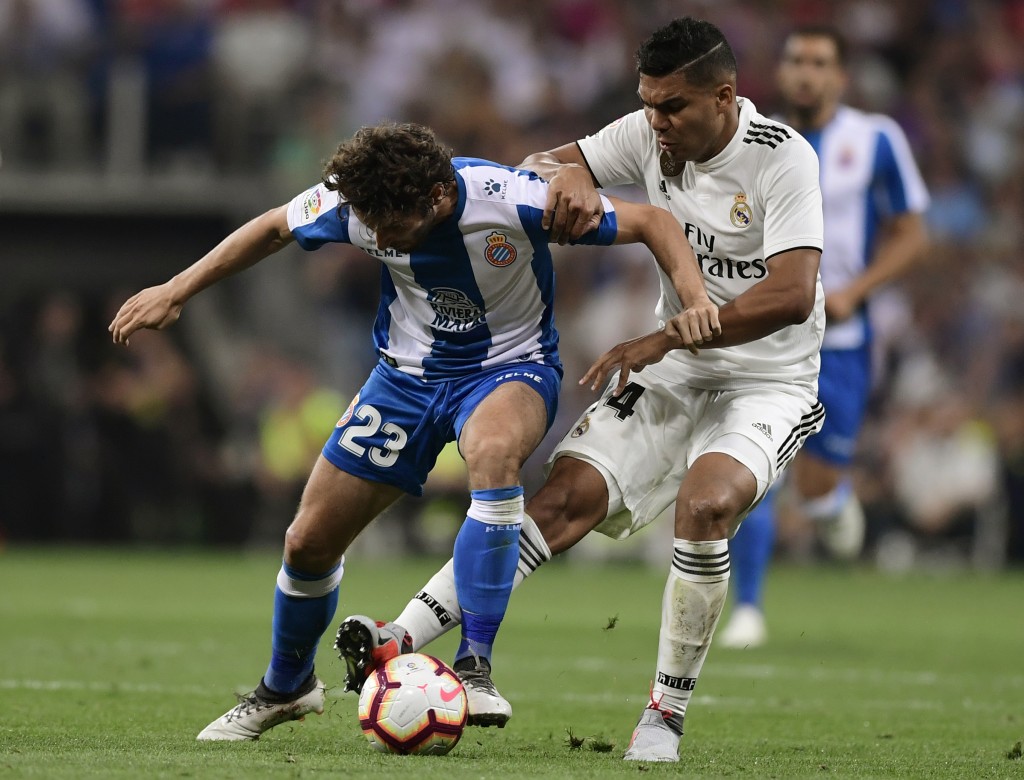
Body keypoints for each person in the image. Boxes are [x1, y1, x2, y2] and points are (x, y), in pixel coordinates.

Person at [108, 120, 719, 741]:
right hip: (402, 381)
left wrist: (694, 299)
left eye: (387, 225)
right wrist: (176, 289)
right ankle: (285, 687)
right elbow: (272, 226)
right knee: (307, 543)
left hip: (508, 367)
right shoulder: (359, 205)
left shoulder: (508, 200)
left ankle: (474, 666)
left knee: (492, 451)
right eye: (366, 221)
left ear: (436, 198)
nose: (372, 235)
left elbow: (654, 223)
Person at [334, 17, 826, 763]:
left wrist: (663, 335)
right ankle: (400, 636)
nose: (654, 123)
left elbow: (792, 294)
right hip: (676, 370)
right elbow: (537, 164)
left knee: (706, 504)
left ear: (724, 97)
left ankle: (663, 715)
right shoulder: (645, 133)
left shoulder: (782, 159)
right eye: (647, 103)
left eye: (672, 109)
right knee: (561, 500)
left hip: (769, 378)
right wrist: (563, 173)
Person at [719, 25, 930, 650]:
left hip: (843, 339)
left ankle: (833, 500)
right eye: (795, 61)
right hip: (773, 335)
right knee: (755, 468)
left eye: (820, 62)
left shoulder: (876, 140)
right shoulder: (755, 143)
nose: (806, 73)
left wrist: (856, 291)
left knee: (813, 484)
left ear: (840, 76)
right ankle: (749, 609)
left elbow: (913, 233)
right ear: (781, 74)